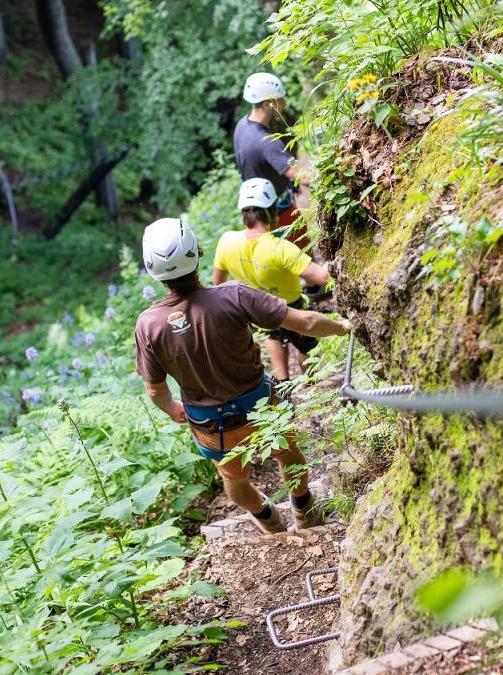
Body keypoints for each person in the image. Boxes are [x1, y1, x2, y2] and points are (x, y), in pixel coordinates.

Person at [135, 217, 349, 534]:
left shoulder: (148, 325)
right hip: (261, 407)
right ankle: (304, 508)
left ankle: (268, 520)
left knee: (232, 477)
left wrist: (173, 409)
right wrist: (346, 327)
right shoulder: (233, 295)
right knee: (287, 451)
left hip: (210, 423)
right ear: (196, 253)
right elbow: (304, 322)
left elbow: (155, 390)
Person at [213, 178, 331, 381]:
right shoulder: (280, 248)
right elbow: (321, 278)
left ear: (244, 213)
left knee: (273, 336)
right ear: (272, 211)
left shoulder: (226, 242)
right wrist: (333, 261)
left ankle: (283, 384)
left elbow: (219, 285)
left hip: (256, 310)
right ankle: (310, 380)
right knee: (306, 344)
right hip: (291, 306)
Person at [234, 72, 311, 249]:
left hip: (254, 210)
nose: (284, 103)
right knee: (303, 254)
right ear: (269, 104)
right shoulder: (267, 142)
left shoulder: (241, 125)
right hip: (278, 210)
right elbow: (303, 177)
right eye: (280, 99)